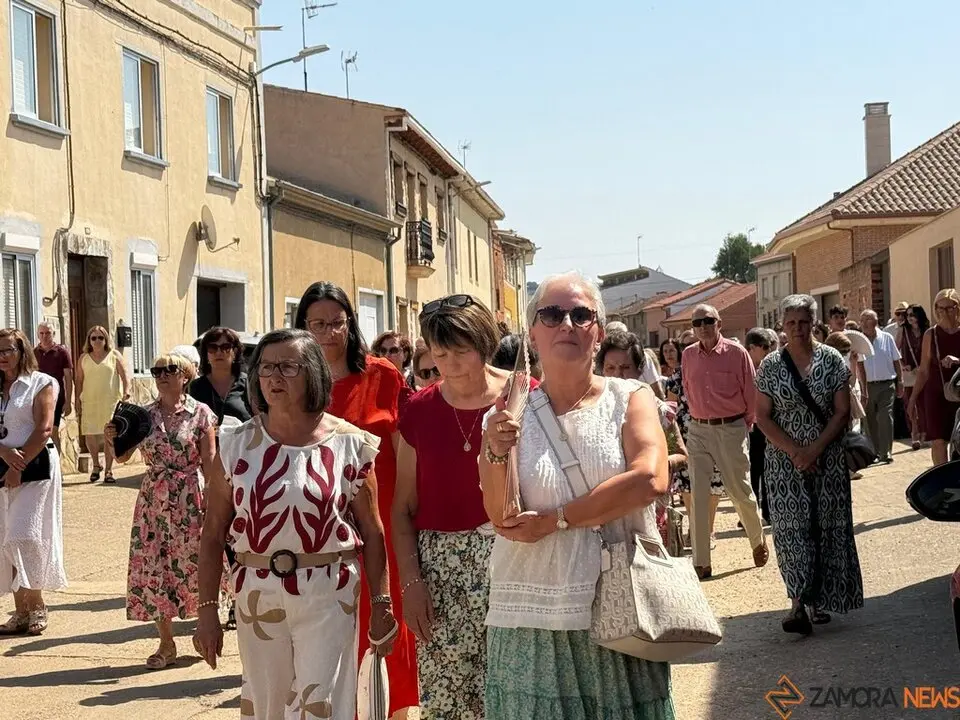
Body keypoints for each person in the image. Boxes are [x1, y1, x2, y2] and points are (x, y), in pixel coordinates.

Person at [479, 272, 676, 719]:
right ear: (532, 334)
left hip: (616, 607)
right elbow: (502, 517)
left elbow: (650, 479)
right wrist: (494, 449)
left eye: (581, 314)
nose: (566, 323)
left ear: (599, 332)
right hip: (531, 617)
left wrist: (556, 520)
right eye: (551, 314)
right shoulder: (507, 414)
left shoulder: (631, 397)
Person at [193, 329, 396, 718]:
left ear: (314, 374)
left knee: (324, 704)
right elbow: (213, 532)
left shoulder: (351, 444)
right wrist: (206, 611)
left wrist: (382, 602)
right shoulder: (235, 445)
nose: (274, 377)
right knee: (268, 706)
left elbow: (372, 531)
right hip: (256, 594)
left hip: (329, 591)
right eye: (266, 367)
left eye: (288, 367)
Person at [294, 282, 418, 716]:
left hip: (382, 521)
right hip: (319, 529)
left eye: (336, 322)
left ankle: (394, 710)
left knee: (385, 620)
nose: (328, 333)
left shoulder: (383, 375)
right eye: (317, 324)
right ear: (303, 327)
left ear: (351, 323)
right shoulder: (295, 381)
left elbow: (408, 446)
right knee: (329, 630)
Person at [393, 295, 517, 718]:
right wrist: (411, 585)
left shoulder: (526, 397)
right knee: (449, 704)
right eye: (440, 353)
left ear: (483, 342)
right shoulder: (418, 411)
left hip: (517, 560)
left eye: (461, 351)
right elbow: (403, 508)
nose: (451, 365)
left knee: (518, 692)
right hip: (442, 573)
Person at [755, 295, 863, 635]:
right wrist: (795, 452)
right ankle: (798, 602)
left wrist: (813, 450)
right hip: (784, 463)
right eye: (791, 323)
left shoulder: (831, 360)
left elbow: (842, 411)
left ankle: (820, 601)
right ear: (782, 327)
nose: (797, 329)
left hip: (826, 457)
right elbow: (762, 417)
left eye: (803, 322)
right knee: (791, 530)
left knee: (826, 526)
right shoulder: (771, 366)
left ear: (813, 323)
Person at [105, 353, 216, 668]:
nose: (162, 375)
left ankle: (202, 626)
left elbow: (210, 460)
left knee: (194, 563)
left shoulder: (201, 414)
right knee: (154, 567)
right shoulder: (143, 416)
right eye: (157, 370)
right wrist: (111, 439)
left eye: (170, 369)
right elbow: (124, 458)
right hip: (153, 499)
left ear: (185, 375)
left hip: (189, 498)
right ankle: (166, 642)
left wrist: (214, 500)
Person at [681, 304, 768, 579]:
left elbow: (751, 391)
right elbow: (686, 388)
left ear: (719, 323)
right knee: (699, 496)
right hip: (698, 430)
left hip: (730, 427)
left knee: (739, 489)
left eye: (708, 320)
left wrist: (745, 425)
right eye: (697, 322)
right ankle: (701, 560)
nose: (703, 326)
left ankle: (757, 540)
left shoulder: (736, 352)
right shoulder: (688, 355)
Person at [0, 329, 65, 636]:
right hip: (2, 464)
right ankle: (20, 611)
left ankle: (37, 604)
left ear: (22, 351)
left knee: (24, 534)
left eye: (7, 350)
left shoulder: (40, 383)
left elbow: (44, 428)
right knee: (4, 539)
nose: (2, 356)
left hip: (35, 465)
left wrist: (18, 463)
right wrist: (3, 453)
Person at [660, 338, 723, 547]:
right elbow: (671, 410)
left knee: (714, 481)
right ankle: (696, 529)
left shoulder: (711, 373)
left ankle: (710, 529)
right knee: (687, 484)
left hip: (713, 433)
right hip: (687, 436)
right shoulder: (675, 380)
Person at [909, 288, 960, 466]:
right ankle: (943, 482)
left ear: (957, 308)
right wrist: (913, 399)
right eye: (939, 308)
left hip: (959, 392)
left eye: (949, 308)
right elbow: (923, 371)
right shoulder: (931, 334)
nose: (944, 312)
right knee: (938, 441)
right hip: (936, 393)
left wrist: (957, 360)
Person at [75, 325, 129, 484]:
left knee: (109, 435)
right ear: (89, 341)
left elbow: (125, 376)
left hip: (110, 401)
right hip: (90, 400)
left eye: (100, 337)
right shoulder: (83, 358)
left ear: (105, 339)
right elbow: (79, 380)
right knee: (90, 434)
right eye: (94, 338)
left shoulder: (114, 355)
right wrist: (77, 399)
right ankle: (96, 466)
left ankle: (109, 470)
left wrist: (127, 391)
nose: (97, 341)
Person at [859, 309, 903, 464]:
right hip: (867, 386)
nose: (863, 323)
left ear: (876, 322)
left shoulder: (887, 338)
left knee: (885, 417)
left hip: (886, 384)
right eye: (862, 320)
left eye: (867, 319)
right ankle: (875, 452)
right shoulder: (859, 341)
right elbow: (858, 365)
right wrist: (862, 389)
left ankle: (886, 452)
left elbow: (896, 360)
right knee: (870, 420)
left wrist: (900, 381)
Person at [744, 328, 778, 525]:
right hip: (749, 426)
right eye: (764, 347)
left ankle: (767, 512)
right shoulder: (742, 368)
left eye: (769, 346)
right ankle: (751, 515)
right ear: (752, 348)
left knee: (766, 469)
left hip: (767, 424)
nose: (767, 351)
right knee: (751, 471)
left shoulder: (769, 367)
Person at [188, 327, 253, 426]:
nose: (218, 352)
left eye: (225, 347)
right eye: (212, 348)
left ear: (235, 352)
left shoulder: (248, 383)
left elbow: (260, 419)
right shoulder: (195, 387)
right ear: (206, 354)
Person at [33, 322, 73, 453]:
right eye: (42, 333)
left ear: (54, 334)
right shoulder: (33, 353)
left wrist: (68, 402)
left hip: (56, 399)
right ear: (38, 335)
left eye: (48, 333)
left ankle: (57, 468)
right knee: (40, 433)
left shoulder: (62, 353)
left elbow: (68, 378)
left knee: (52, 432)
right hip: (37, 399)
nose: (45, 336)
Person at [597, 330, 665, 399]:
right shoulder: (594, 404)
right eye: (610, 368)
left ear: (639, 369)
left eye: (625, 367)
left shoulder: (651, 405)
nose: (617, 375)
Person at [899, 305, 929, 450]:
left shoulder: (927, 331)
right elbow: (896, 350)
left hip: (923, 371)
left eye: (913, 314)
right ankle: (914, 433)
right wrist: (903, 365)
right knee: (910, 403)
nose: (910, 318)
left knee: (924, 403)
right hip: (910, 373)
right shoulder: (903, 330)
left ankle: (924, 434)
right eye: (908, 315)